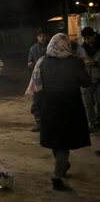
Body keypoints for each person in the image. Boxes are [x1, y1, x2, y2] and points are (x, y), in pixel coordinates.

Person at [26, 33, 91, 191]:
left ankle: (62, 165)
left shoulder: (42, 62)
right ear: (66, 45)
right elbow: (86, 82)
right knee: (63, 145)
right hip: (70, 107)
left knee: (57, 142)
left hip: (49, 107)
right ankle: (57, 176)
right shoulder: (74, 61)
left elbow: (37, 89)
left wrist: (36, 109)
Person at [76, 26, 100, 132]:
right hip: (87, 80)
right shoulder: (81, 48)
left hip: (99, 79)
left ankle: (99, 121)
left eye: (88, 38)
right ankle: (92, 122)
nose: (86, 41)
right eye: (84, 39)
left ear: (94, 36)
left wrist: (95, 63)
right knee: (88, 103)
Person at [27, 27, 49, 132]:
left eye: (44, 35)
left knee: (48, 101)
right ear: (37, 37)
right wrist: (30, 63)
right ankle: (39, 122)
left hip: (49, 78)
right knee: (36, 101)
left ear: (47, 36)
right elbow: (29, 61)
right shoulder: (33, 48)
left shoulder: (52, 47)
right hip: (37, 79)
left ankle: (49, 122)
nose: (42, 38)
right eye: (40, 36)